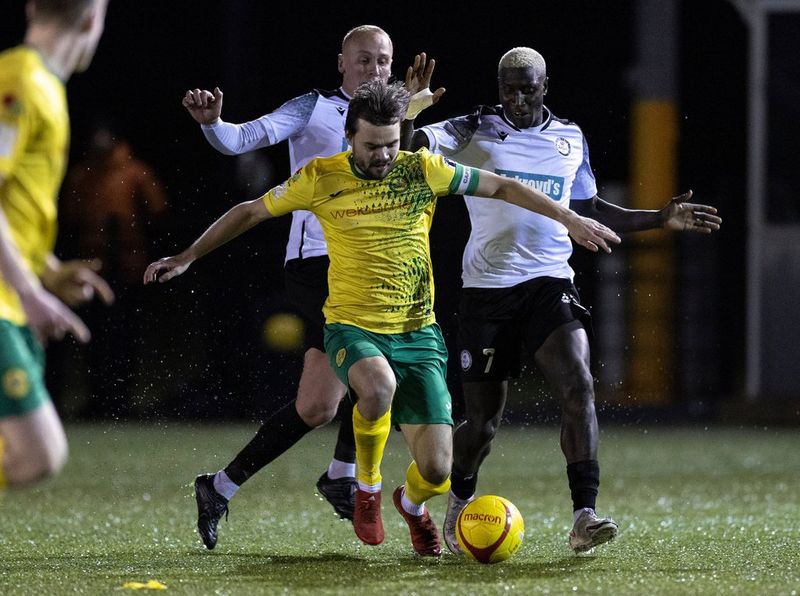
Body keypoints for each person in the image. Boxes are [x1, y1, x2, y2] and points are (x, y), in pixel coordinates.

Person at [144, 79, 620, 556]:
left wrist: (570, 219)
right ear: (350, 137)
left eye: (392, 144)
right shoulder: (321, 177)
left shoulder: (423, 170)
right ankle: (364, 487)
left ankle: (411, 505)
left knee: (437, 472)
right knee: (376, 387)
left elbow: (504, 186)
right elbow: (249, 212)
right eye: (372, 146)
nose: (384, 155)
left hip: (418, 333)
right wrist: (187, 256)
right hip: (352, 325)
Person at [404, 46, 722, 554]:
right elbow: (402, 148)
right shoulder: (472, 129)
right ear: (498, 87)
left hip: (550, 282)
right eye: (508, 88)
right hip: (486, 290)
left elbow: (588, 208)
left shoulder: (569, 138)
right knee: (483, 424)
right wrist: (407, 110)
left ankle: (583, 516)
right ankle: (460, 496)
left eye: (527, 88)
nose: (517, 98)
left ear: (544, 87)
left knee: (579, 383)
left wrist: (659, 219)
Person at [178, 24, 445, 548]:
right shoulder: (313, 107)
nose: (375, 69)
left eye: (383, 61)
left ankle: (220, 486)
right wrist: (214, 125)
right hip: (318, 263)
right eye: (364, 60)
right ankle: (345, 475)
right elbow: (243, 138)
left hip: (373, 262)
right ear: (342, 65)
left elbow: (402, 177)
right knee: (381, 367)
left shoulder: (393, 119)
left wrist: (411, 116)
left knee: (318, 406)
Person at [0, 0, 113, 488]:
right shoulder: (21, 81)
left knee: (31, 453)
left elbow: (12, 205)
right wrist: (29, 290)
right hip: (6, 299)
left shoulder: (45, 86)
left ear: (31, 10)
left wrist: (46, 271)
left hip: (12, 293)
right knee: (37, 453)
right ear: (92, 20)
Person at [59, 121, 168, 418]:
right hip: (91, 266)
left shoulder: (135, 172)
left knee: (124, 336)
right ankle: (97, 398)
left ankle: (120, 399)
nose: (100, 140)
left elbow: (157, 214)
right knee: (93, 337)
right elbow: (69, 216)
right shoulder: (83, 174)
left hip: (128, 267)